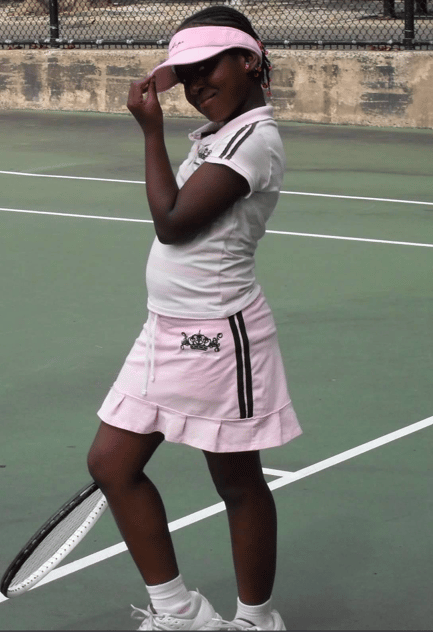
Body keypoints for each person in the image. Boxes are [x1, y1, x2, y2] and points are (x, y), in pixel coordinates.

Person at [86, 6, 302, 631]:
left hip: (218, 336)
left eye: (208, 67)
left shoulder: (253, 140)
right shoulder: (220, 136)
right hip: (165, 330)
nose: (196, 84)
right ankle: (178, 612)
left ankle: (255, 620)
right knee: (111, 464)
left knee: (236, 480)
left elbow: (174, 222)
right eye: (185, 75)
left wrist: (150, 133)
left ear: (249, 61)